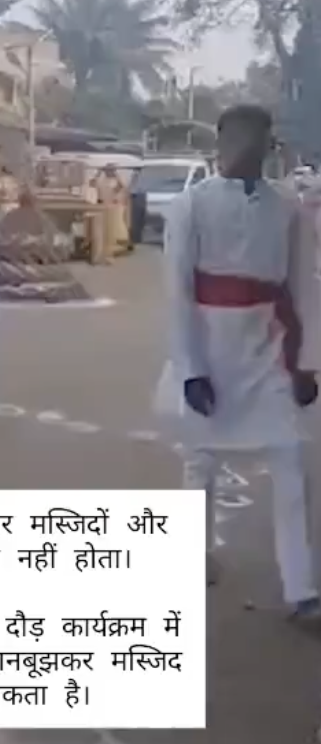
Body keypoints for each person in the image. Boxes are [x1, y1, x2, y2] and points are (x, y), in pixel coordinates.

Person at [155, 103, 321, 625]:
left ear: (270, 144)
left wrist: (308, 364)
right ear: (221, 141)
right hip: (209, 348)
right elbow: (176, 294)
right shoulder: (190, 207)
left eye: (260, 137)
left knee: (290, 460)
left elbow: (303, 288)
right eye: (240, 136)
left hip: (268, 348)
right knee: (200, 462)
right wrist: (190, 369)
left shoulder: (288, 208)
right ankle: (195, 555)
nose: (249, 146)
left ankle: (301, 589)